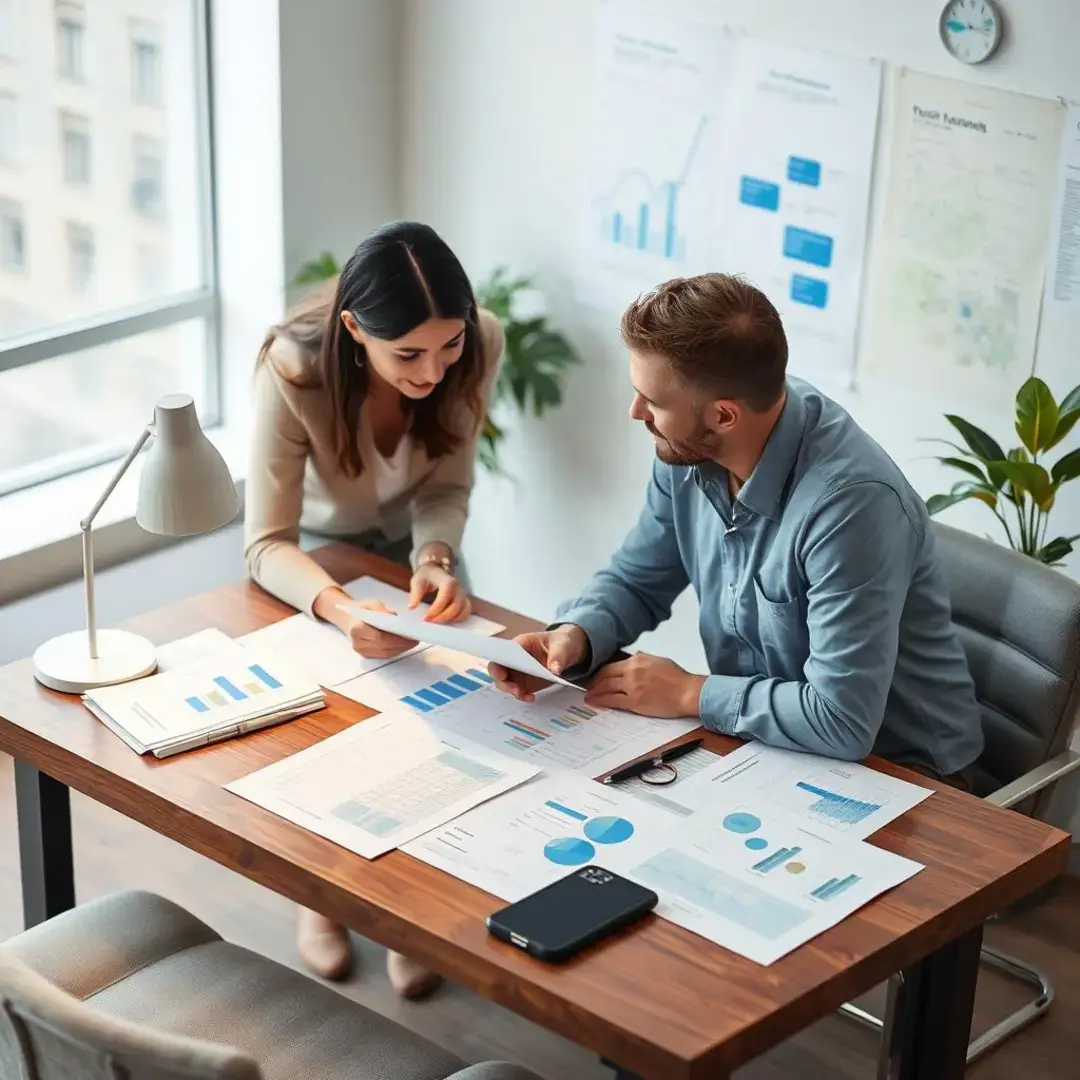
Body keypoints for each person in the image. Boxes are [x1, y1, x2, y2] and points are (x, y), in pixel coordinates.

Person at [490, 273, 983, 785]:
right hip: (768, 745)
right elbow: (639, 577)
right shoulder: (689, 445)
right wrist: (575, 636)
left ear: (724, 416)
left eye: (652, 402)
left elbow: (842, 721)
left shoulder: (851, 507)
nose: (636, 413)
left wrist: (690, 693)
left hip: (906, 774)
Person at [245, 220, 504, 995]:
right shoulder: (291, 369)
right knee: (332, 738)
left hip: (417, 547)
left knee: (444, 736)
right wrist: (341, 609)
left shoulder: (478, 341)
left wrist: (433, 560)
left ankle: (410, 908)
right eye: (408, 355)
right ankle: (319, 898)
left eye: (447, 347)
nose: (433, 370)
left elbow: (447, 486)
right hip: (317, 560)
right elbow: (264, 543)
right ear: (355, 330)